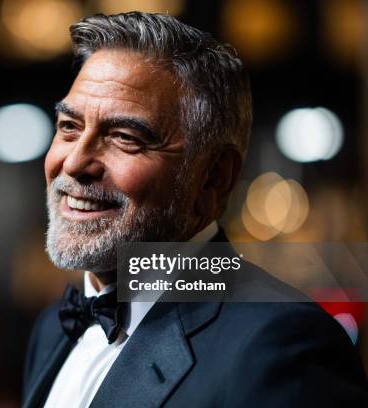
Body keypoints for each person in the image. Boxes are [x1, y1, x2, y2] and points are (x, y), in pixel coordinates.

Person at [22, 12, 368, 408]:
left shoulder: (282, 346)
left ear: (213, 178)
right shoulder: (52, 329)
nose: (73, 162)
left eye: (124, 137)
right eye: (69, 127)